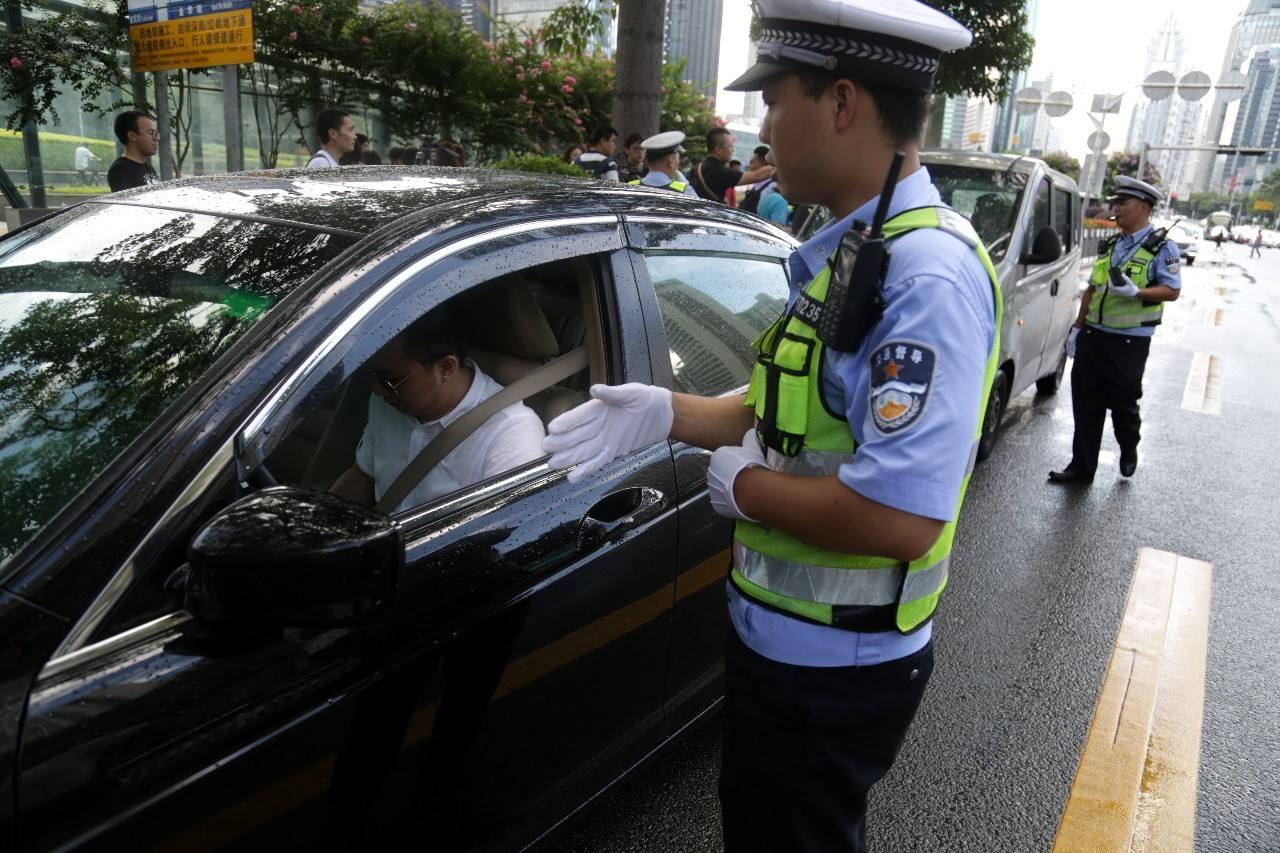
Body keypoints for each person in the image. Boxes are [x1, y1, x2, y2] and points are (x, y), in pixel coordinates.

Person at [542, 1, 994, 849]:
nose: (762, 122)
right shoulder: (854, 248)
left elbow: (904, 516)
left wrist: (747, 489)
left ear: (843, 103)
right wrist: (668, 411)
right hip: (780, 647)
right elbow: (779, 409)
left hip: (836, 668)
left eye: (775, 98)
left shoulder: (923, 277)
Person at [330, 305, 546, 514]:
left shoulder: (511, 432)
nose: (377, 390)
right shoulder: (389, 402)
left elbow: (503, 530)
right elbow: (364, 475)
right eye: (372, 375)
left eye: (389, 380)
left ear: (445, 368)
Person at [1049, 176, 1181, 485]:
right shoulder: (1110, 243)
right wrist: (1077, 329)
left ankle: (1129, 446)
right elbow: (1092, 290)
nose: (1115, 208)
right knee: (1085, 402)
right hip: (1094, 337)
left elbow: (1172, 290)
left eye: (1123, 203)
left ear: (1144, 207)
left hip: (1129, 342)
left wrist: (1137, 292)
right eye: (1115, 203)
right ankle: (1082, 468)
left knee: (1123, 403)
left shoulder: (1162, 247)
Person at [691, 126, 775, 204]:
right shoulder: (718, 172)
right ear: (718, 149)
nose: (733, 150)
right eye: (730, 146)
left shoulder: (698, 168)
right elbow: (757, 176)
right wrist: (777, 164)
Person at [628, 131, 699, 197]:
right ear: (671, 161)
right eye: (677, 158)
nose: (678, 162)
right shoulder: (684, 191)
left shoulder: (629, 188)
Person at [107, 110, 160, 192]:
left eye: (156, 133)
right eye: (150, 133)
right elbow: (127, 204)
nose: (156, 138)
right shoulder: (120, 170)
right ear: (132, 136)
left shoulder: (149, 168)